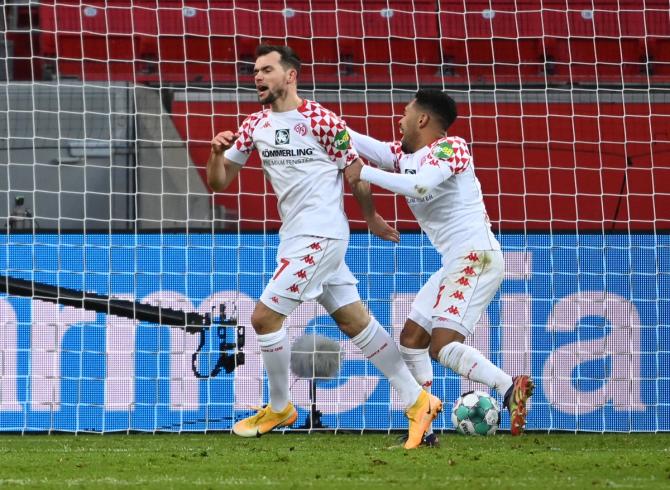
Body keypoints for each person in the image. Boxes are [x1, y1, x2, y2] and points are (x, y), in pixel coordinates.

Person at [206, 45, 442, 449]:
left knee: (264, 319)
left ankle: (280, 406)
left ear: (291, 75)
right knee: (355, 323)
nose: (257, 78)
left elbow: (355, 173)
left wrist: (369, 217)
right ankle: (416, 399)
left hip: (323, 235)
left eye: (266, 70)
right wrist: (215, 154)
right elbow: (219, 181)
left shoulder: (321, 119)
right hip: (295, 237)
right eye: (255, 71)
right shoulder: (254, 126)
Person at [344, 89, 534, 438]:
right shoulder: (404, 157)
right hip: (455, 263)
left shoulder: (451, 148)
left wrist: (365, 174)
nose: (399, 121)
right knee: (411, 338)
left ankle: (510, 387)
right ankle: (424, 425)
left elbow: (418, 187)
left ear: (422, 119)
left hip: (477, 256)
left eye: (404, 113)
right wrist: (309, 116)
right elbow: (357, 141)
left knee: (442, 346)